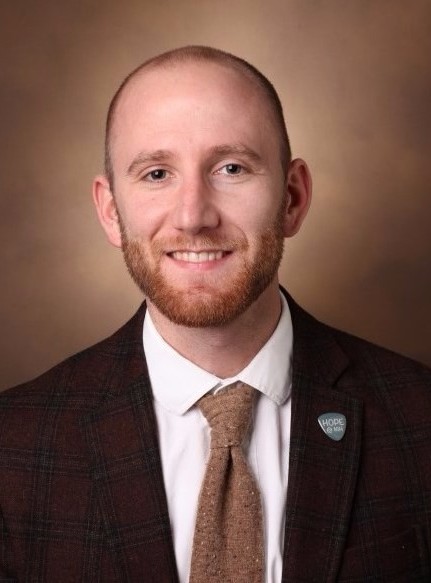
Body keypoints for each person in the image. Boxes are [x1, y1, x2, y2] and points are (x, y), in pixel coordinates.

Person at [0, 46, 430, 583]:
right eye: (157, 173)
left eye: (231, 168)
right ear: (111, 212)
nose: (193, 216)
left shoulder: (419, 420)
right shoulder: (12, 449)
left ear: (293, 197)